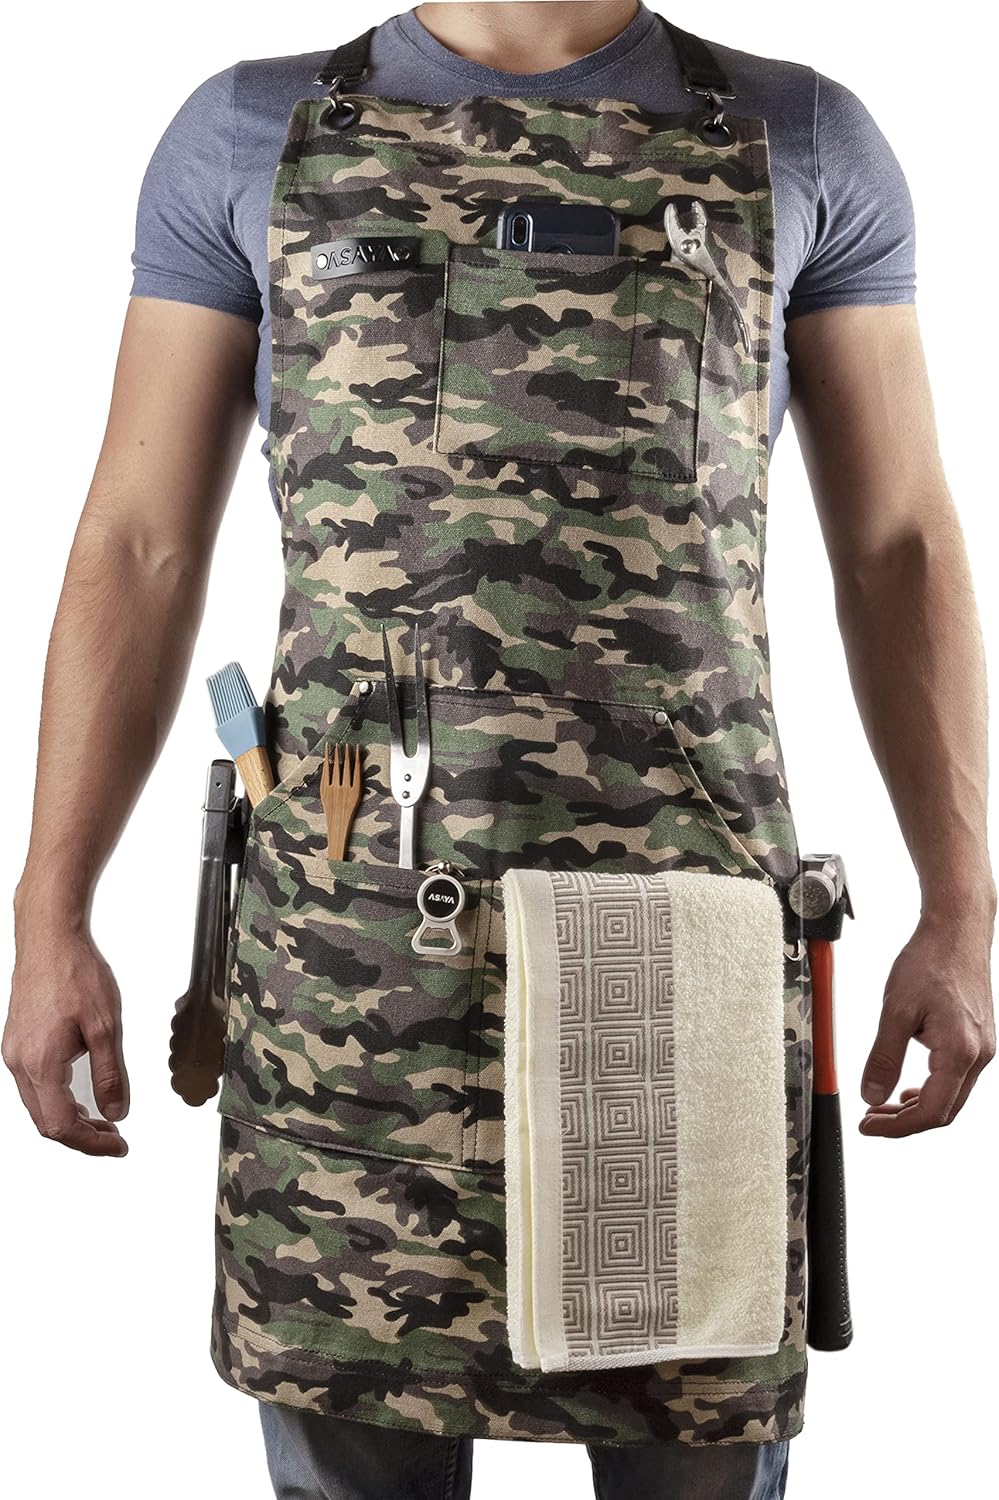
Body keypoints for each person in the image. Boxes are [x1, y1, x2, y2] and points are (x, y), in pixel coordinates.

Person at [4, 4, 995, 1498]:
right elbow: (141, 547)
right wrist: (50, 912)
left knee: (697, 1432)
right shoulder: (247, 132)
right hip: (354, 960)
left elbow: (900, 544)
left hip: (681, 954)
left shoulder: (800, 135)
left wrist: (963, 904)